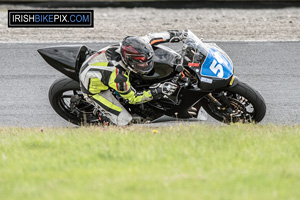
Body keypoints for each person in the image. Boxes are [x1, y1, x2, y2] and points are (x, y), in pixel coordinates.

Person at [79, 30, 182, 125]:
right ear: (128, 59)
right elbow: (133, 98)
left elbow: (153, 37)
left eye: (146, 62)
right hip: (94, 90)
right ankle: (104, 119)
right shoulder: (119, 77)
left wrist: (176, 34)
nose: (145, 65)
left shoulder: (137, 46)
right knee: (125, 121)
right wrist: (157, 91)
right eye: (140, 63)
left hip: (98, 67)